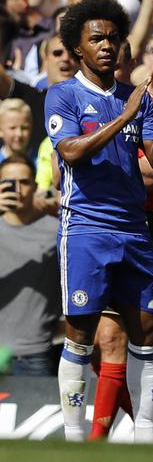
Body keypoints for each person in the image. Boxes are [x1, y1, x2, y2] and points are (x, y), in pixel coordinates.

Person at [45, 0, 153, 442]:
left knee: (147, 329)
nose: (107, 45)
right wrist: (124, 116)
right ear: (77, 48)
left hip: (133, 228)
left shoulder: (134, 98)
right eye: (96, 38)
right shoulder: (62, 95)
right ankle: (72, 435)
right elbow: (71, 153)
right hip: (85, 227)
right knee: (81, 332)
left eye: (113, 38)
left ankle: (144, 435)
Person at [0, 155, 60, 376]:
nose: (17, 190)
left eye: (24, 182)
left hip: (37, 354)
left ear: (35, 186)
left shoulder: (56, 230)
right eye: (9, 183)